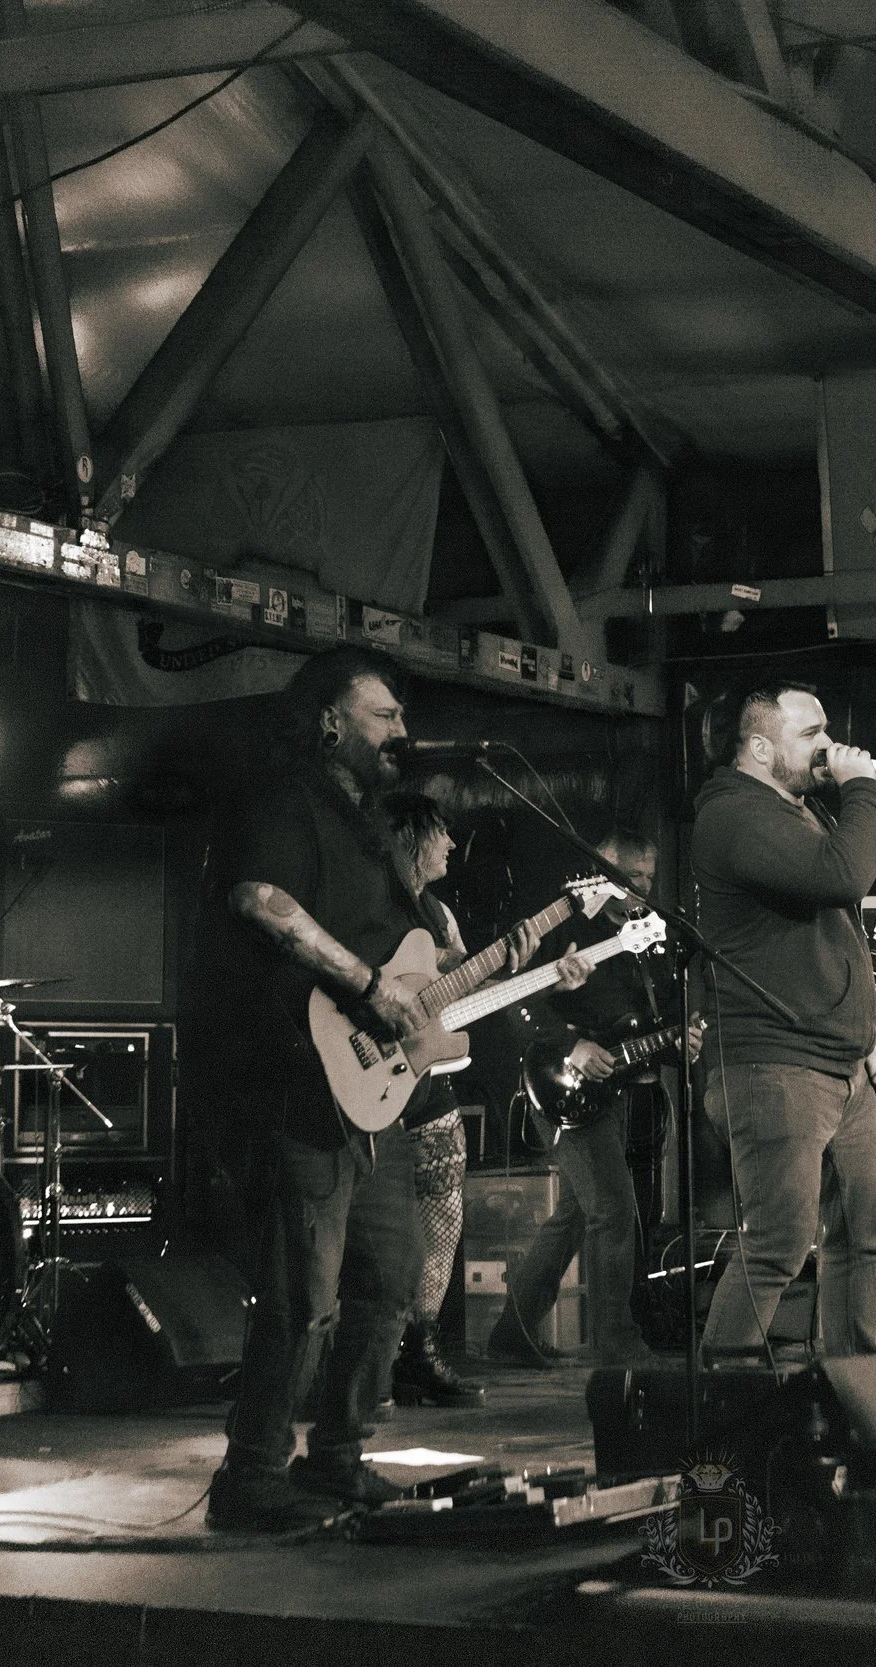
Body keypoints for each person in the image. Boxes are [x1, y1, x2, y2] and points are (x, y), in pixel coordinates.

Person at [179, 647, 563, 1532]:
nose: (401, 730)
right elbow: (259, 898)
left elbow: (414, 970)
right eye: (384, 715)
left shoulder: (368, 829)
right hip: (293, 1080)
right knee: (301, 1293)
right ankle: (252, 1474)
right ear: (330, 722)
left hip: (369, 1098)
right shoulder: (286, 801)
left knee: (391, 1276)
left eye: (401, 717)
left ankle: (338, 1458)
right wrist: (366, 983)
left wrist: (483, 973)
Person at [691, 680, 876, 1360]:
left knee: (865, 1231)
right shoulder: (735, 815)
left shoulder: (793, 812)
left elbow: (826, 937)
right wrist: (861, 789)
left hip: (839, 1064)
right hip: (774, 1065)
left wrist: (863, 1039)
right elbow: (845, 876)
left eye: (826, 730)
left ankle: (855, 1390)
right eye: (810, 734)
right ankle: (724, 1397)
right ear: (759, 748)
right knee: (779, 1240)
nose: (829, 746)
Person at [487, 830, 695, 1369]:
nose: (642, 887)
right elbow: (514, 1003)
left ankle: (512, 1333)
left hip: (618, 1090)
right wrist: (571, 1045)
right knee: (613, 1211)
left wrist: (680, 1042)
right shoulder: (567, 925)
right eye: (631, 876)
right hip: (561, 1085)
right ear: (601, 874)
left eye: (649, 877)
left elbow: (648, 1023)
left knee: (578, 1214)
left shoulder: (647, 934)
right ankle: (616, 1343)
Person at [381, 792, 486, 1409]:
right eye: (440, 832)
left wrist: (528, 971)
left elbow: (459, 1001)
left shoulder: (441, 916)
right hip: (367, 1085)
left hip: (427, 1082)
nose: (450, 843)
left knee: (442, 1219)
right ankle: (359, 1360)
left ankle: (419, 1350)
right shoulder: (371, 905)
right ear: (409, 837)